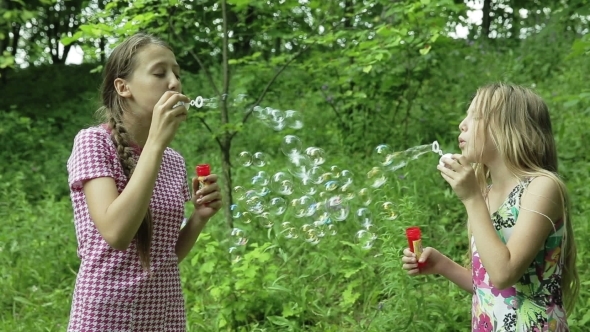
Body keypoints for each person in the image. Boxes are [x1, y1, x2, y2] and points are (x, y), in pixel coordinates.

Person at [66, 32, 222, 331]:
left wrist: (199, 217)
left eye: (177, 73)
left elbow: (165, 255)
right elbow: (116, 233)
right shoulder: (94, 143)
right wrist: (154, 144)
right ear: (123, 87)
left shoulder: (172, 159)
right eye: (159, 73)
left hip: (164, 313)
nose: (174, 82)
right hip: (108, 315)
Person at [401, 83, 579, 331]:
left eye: (475, 116)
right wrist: (441, 265)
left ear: (509, 129)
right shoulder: (485, 196)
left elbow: (504, 273)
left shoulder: (541, 188)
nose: (462, 124)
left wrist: (471, 199)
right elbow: (491, 287)